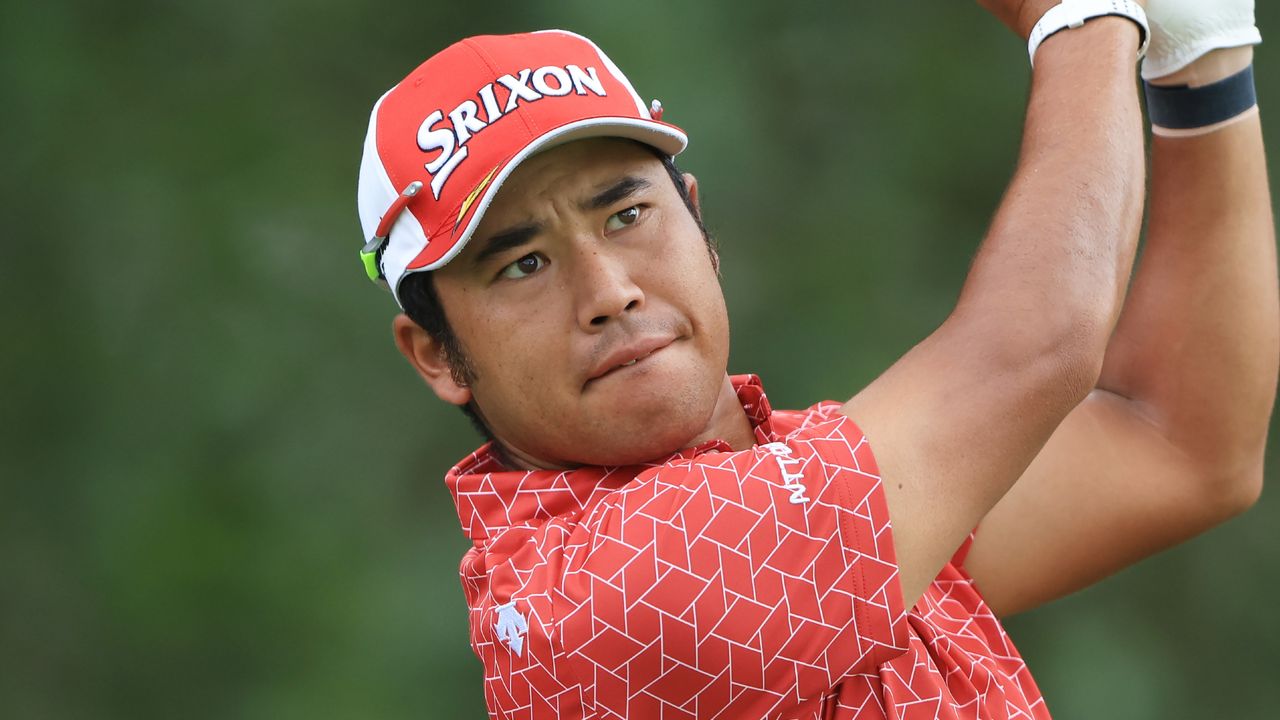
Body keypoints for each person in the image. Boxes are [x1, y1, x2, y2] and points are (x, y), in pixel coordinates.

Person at [354, 0, 1275, 717]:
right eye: (523, 264)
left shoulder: (806, 492)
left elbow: (1178, 441)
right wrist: (1080, 19)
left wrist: (1202, 61)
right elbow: (1037, 346)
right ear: (435, 353)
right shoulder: (600, 599)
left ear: (699, 220)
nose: (608, 290)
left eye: (626, 214)